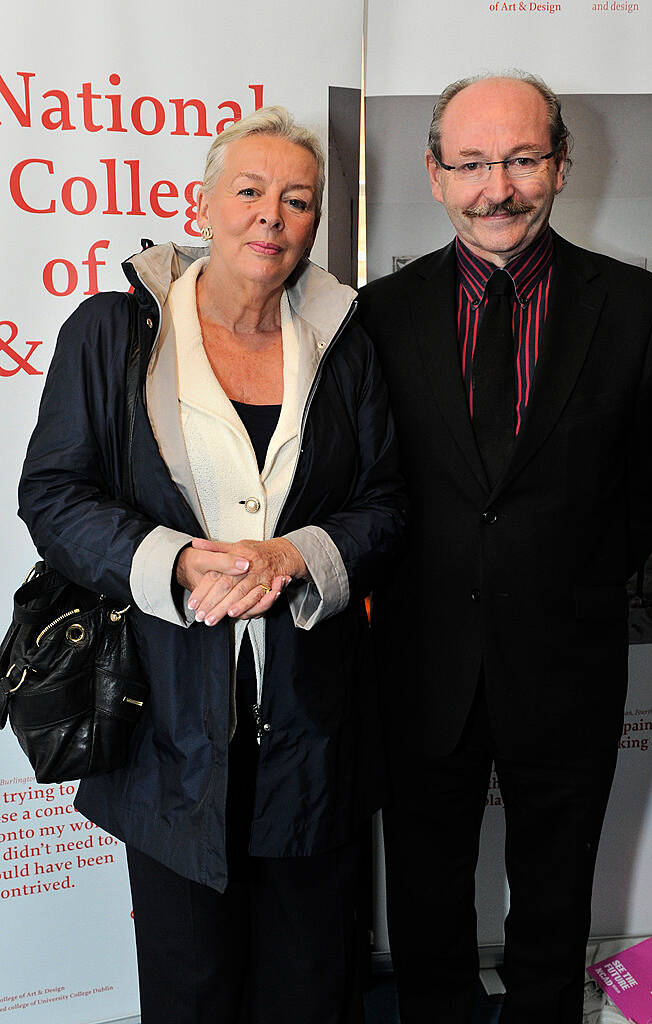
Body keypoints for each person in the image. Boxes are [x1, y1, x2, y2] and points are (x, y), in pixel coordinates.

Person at [18, 106, 406, 1024]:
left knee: (312, 986)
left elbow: (387, 504)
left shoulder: (343, 343)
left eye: (299, 200)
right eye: (250, 190)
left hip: (312, 724)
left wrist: (297, 554)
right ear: (202, 202)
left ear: (316, 224)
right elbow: (55, 494)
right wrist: (179, 561)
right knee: (191, 990)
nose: (272, 215)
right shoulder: (115, 332)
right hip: (167, 726)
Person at [357, 73, 652, 1024]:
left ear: (559, 163)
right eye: (469, 163)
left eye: (520, 159)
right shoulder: (380, 316)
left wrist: (561, 578)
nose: (495, 186)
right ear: (433, 173)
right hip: (421, 659)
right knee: (425, 887)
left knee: (557, 883)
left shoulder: (637, 308)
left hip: (567, 652)